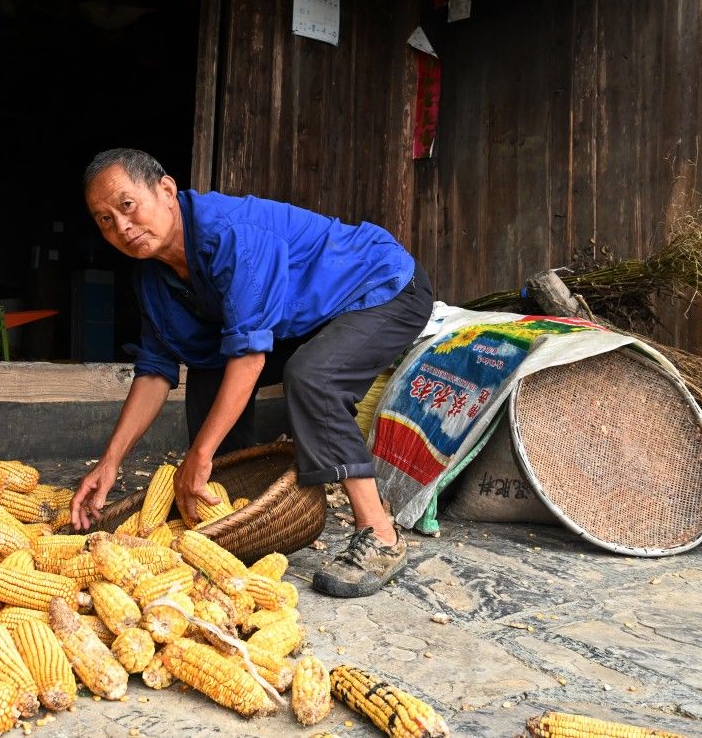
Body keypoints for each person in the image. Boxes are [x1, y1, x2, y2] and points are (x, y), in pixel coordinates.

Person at [69, 148, 433, 598]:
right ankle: (237, 513)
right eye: (105, 220)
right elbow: (155, 370)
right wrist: (110, 462)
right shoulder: (152, 276)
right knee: (208, 370)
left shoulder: (230, 233)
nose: (122, 227)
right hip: (304, 315)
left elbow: (249, 357)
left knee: (312, 376)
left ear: (165, 190)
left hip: (382, 287)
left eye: (127, 206)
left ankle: (379, 535)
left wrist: (199, 456)